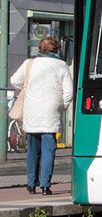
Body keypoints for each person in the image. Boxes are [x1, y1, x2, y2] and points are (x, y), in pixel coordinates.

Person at [10, 37, 73, 195]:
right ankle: (45, 186)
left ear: (41, 48)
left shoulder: (29, 63)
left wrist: (28, 87)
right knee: (48, 150)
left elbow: (14, 81)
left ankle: (31, 184)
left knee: (32, 150)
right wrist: (63, 105)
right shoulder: (61, 65)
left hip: (32, 110)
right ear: (56, 49)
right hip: (50, 112)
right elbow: (69, 91)